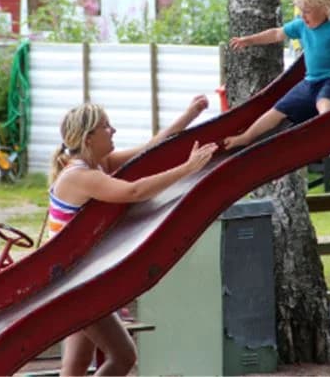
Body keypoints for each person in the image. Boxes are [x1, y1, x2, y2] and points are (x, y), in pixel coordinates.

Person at [47, 95, 218, 376]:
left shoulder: (98, 164)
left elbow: (154, 146)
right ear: (88, 138)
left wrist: (190, 114)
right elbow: (134, 192)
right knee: (123, 357)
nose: (113, 131)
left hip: (74, 280)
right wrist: (188, 169)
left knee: (75, 367)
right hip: (74, 284)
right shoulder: (81, 176)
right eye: (106, 126)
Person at [223, 0, 330, 150]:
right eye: (301, 11)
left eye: (307, 11)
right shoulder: (301, 26)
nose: (303, 15)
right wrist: (248, 40)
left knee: (323, 102)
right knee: (277, 111)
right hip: (310, 82)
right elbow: (275, 34)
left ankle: (329, 130)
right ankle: (246, 137)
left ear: (326, 8)